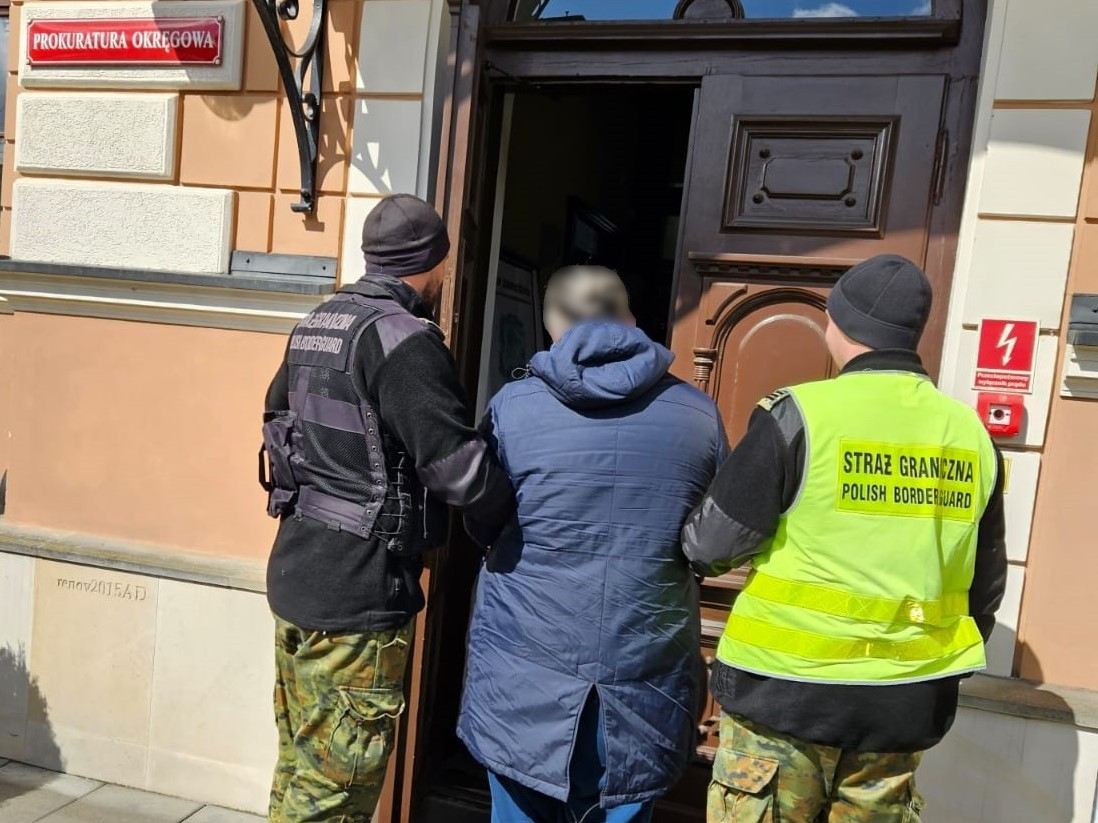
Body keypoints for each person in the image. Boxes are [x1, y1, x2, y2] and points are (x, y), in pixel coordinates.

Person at [681, 254, 1007, 823]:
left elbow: (710, 545)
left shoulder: (800, 414)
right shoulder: (972, 435)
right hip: (902, 704)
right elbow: (986, 587)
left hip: (784, 693)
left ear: (838, 324)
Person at [260, 194, 514, 823]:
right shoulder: (404, 341)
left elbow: (279, 426)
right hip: (358, 587)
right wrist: (516, 516)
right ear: (436, 263)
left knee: (302, 772)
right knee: (335, 795)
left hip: (299, 569)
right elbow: (457, 470)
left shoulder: (317, 322)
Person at [459, 266, 728, 823]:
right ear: (628, 317)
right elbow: (713, 541)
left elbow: (481, 520)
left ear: (553, 322)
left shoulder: (513, 406)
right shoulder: (698, 413)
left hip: (524, 665)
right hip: (643, 663)